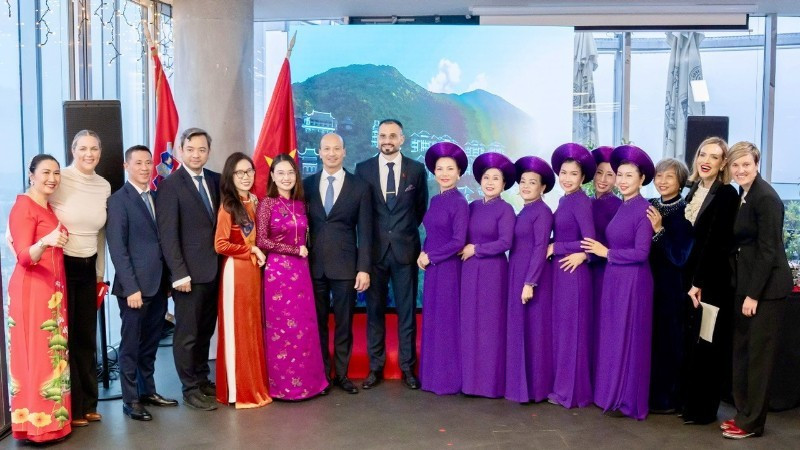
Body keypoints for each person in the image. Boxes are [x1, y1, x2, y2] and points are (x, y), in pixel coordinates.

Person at [721, 142, 793, 439]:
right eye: (735, 165)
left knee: (758, 359)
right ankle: (744, 414)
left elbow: (768, 251)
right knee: (743, 354)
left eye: (746, 165)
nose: (740, 170)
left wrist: (753, 295)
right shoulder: (744, 194)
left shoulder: (766, 198)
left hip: (766, 290)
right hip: (746, 283)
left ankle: (752, 423)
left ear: (757, 165)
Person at [582, 145, 655, 420]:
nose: (622, 181)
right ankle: (611, 394)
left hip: (633, 281)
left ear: (642, 179)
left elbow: (641, 253)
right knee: (614, 336)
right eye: (620, 175)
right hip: (615, 277)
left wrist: (607, 253)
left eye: (628, 176)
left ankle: (626, 400)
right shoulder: (624, 206)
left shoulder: (644, 209)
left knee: (629, 337)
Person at [356, 119, 428, 390]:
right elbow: (362, 213)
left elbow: (420, 209)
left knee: (406, 313)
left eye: (392, 136)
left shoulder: (416, 170)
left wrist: (401, 233)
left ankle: (408, 368)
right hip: (374, 254)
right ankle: (375, 368)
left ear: (402, 139)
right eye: (383, 135)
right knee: (374, 313)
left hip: (405, 252)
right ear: (377, 138)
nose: (387, 140)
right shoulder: (362, 169)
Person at [107, 146, 178, 421]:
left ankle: (147, 391)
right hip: (134, 289)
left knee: (150, 344)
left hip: (158, 285)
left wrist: (168, 280)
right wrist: (132, 288)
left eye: (148, 162)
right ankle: (131, 400)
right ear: (126, 166)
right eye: (138, 163)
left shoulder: (157, 197)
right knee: (130, 346)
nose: (145, 168)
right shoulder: (118, 200)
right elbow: (118, 249)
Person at [49, 130, 111, 427]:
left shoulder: (104, 185)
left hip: (89, 268)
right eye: (83, 148)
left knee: (87, 338)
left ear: (100, 152)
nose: (89, 154)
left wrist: (100, 271)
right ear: (72, 150)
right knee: (67, 338)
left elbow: (100, 233)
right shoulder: (60, 179)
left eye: (94, 148)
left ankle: (88, 404)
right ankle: (70, 408)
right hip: (62, 266)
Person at [156, 127, 221, 411]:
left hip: (215, 270)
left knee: (206, 330)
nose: (196, 155)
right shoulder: (170, 186)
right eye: (191, 149)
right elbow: (168, 235)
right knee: (187, 334)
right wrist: (178, 273)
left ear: (208, 152)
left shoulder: (217, 180)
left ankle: (202, 378)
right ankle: (189, 388)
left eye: (202, 150)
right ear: (180, 151)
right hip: (188, 276)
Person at [8, 155, 72, 443]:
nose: (52, 178)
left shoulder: (46, 206)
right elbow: (24, 257)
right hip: (32, 291)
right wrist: (45, 241)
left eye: (56, 173)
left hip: (51, 291)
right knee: (37, 356)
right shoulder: (24, 207)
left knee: (52, 357)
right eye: (46, 172)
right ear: (31, 174)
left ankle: (54, 423)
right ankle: (37, 427)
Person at [304, 133, 372, 394]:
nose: (331, 153)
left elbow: (365, 232)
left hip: (346, 267)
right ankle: (322, 376)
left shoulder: (359, 187)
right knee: (318, 324)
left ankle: (341, 375)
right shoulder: (306, 185)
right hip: (313, 266)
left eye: (336, 149)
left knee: (344, 324)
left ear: (344, 152)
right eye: (326, 149)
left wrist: (363, 268)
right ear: (319, 152)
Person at [257, 153, 329, 401]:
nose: (286, 177)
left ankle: (309, 383)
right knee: (281, 329)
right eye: (280, 173)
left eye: (290, 173)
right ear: (273, 176)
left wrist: (300, 252)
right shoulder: (267, 204)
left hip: (301, 272)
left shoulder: (301, 204)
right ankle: (283, 386)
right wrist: (293, 250)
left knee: (303, 327)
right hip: (277, 273)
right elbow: (262, 240)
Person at [681, 137, 739, 425]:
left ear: (723, 163)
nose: (706, 161)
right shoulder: (693, 189)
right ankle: (689, 404)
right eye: (703, 154)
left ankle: (703, 410)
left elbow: (716, 243)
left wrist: (699, 282)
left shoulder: (726, 194)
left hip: (711, 281)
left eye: (714, 157)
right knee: (693, 342)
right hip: (692, 276)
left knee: (708, 343)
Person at [214, 152, 272, 408]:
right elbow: (220, 244)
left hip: (253, 271)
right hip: (236, 272)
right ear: (231, 176)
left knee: (252, 327)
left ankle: (255, 385)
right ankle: (239, 391)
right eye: (239, 172)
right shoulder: (229, 206)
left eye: (249, 171)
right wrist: (250, 250)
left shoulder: (255, 201)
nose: (245, 176)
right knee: (238, 329)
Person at [460, 152, 516, 398]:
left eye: (496, 178)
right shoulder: (472, 207)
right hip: (469, 271)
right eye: (486, 177)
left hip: (493, 273)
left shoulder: (506, 209)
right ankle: (470, 383)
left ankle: (490, 385)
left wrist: (477, 249)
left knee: (489, 326)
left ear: (504, 184)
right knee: (470, 324)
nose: (490, 182)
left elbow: (505, 242)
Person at [417, 142, 469, 395]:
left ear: (459, 173)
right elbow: (433, 233)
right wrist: (423, 251)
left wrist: (431, 256)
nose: (445, 173)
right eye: (440, 168)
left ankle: (447, 380)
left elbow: (458, 241)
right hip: (434, 267)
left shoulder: (459, 202)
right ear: (434, 172)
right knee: (433, 320)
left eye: (450, 169)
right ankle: (430, 378)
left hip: (449, 269)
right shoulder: (436, 199)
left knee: (447, 322)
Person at [547, 143, 596, 408]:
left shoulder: (581, 201)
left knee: (572, 333)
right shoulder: (565, 199)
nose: (567, 178)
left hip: (574, 275)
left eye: (573, 174)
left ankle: (572, 393)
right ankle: (564, 388)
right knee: (564, 332)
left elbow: (590, 241)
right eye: (564, 173)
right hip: (562, 272)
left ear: (583, 177)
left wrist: (558, 247)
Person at [504, 156, 555, 403]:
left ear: (542, 187)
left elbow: (540, 248)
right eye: (523, 181)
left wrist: (529, 283)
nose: (525, 186)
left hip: (533, 278)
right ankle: (520, 388)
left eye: (532, 182)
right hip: (518, 273)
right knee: (521, 329)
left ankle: (536, 389)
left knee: (534, 333)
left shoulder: (542, 212)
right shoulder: (525, 210)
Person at [646, 158, 693, 414]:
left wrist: (659, 230)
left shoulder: (686, 211)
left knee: (668, 342)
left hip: (671, 289)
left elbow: (680, 257)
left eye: (669, 177)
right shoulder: (650, 204)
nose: (662, 181)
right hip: (647, 283)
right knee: (648, 340)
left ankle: (667, 399)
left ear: (680, 181)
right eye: (659, 176)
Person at [589, 146, 621, 374]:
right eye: (599, 172)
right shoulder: (585, 201)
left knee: (601, 323)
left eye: (610, 174)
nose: (603, 179)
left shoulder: (618, 206)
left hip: (604, 271)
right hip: (582, 270)